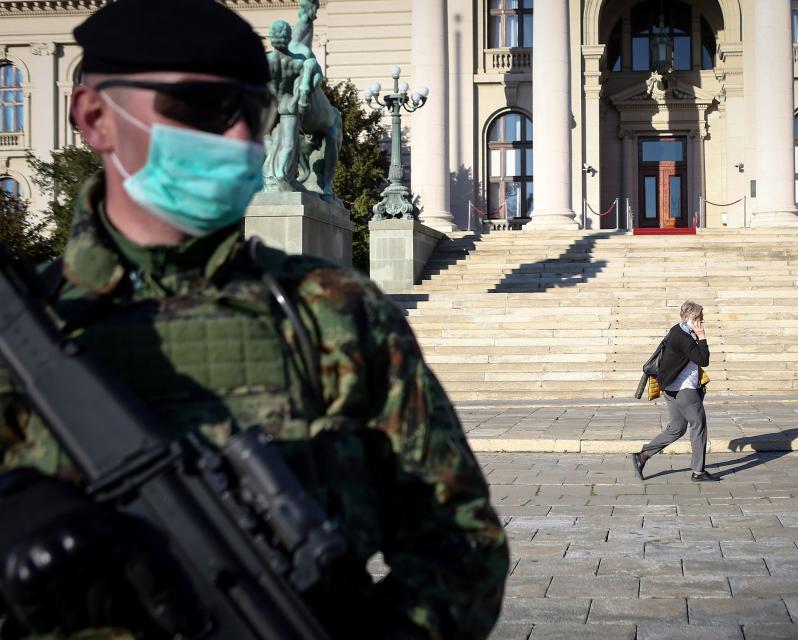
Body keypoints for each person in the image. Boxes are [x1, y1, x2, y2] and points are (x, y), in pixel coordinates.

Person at [0, 1, 508, 638]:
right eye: (203, 109)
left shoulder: (336, 312)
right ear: (95, 117)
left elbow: (461, 543)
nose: (243, 138)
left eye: (255, 112)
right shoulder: (21, 333)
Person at [632, 300, 717, 482]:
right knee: (698, 424)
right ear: (692, 318)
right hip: (684, 389)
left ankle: (643, 455)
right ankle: (698, 472)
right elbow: (703, 359)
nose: (703, 321)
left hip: (670, 387)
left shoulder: (677, 330)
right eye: (700, 318)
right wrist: (702, 336)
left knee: (677, 428)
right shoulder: (684, 337)